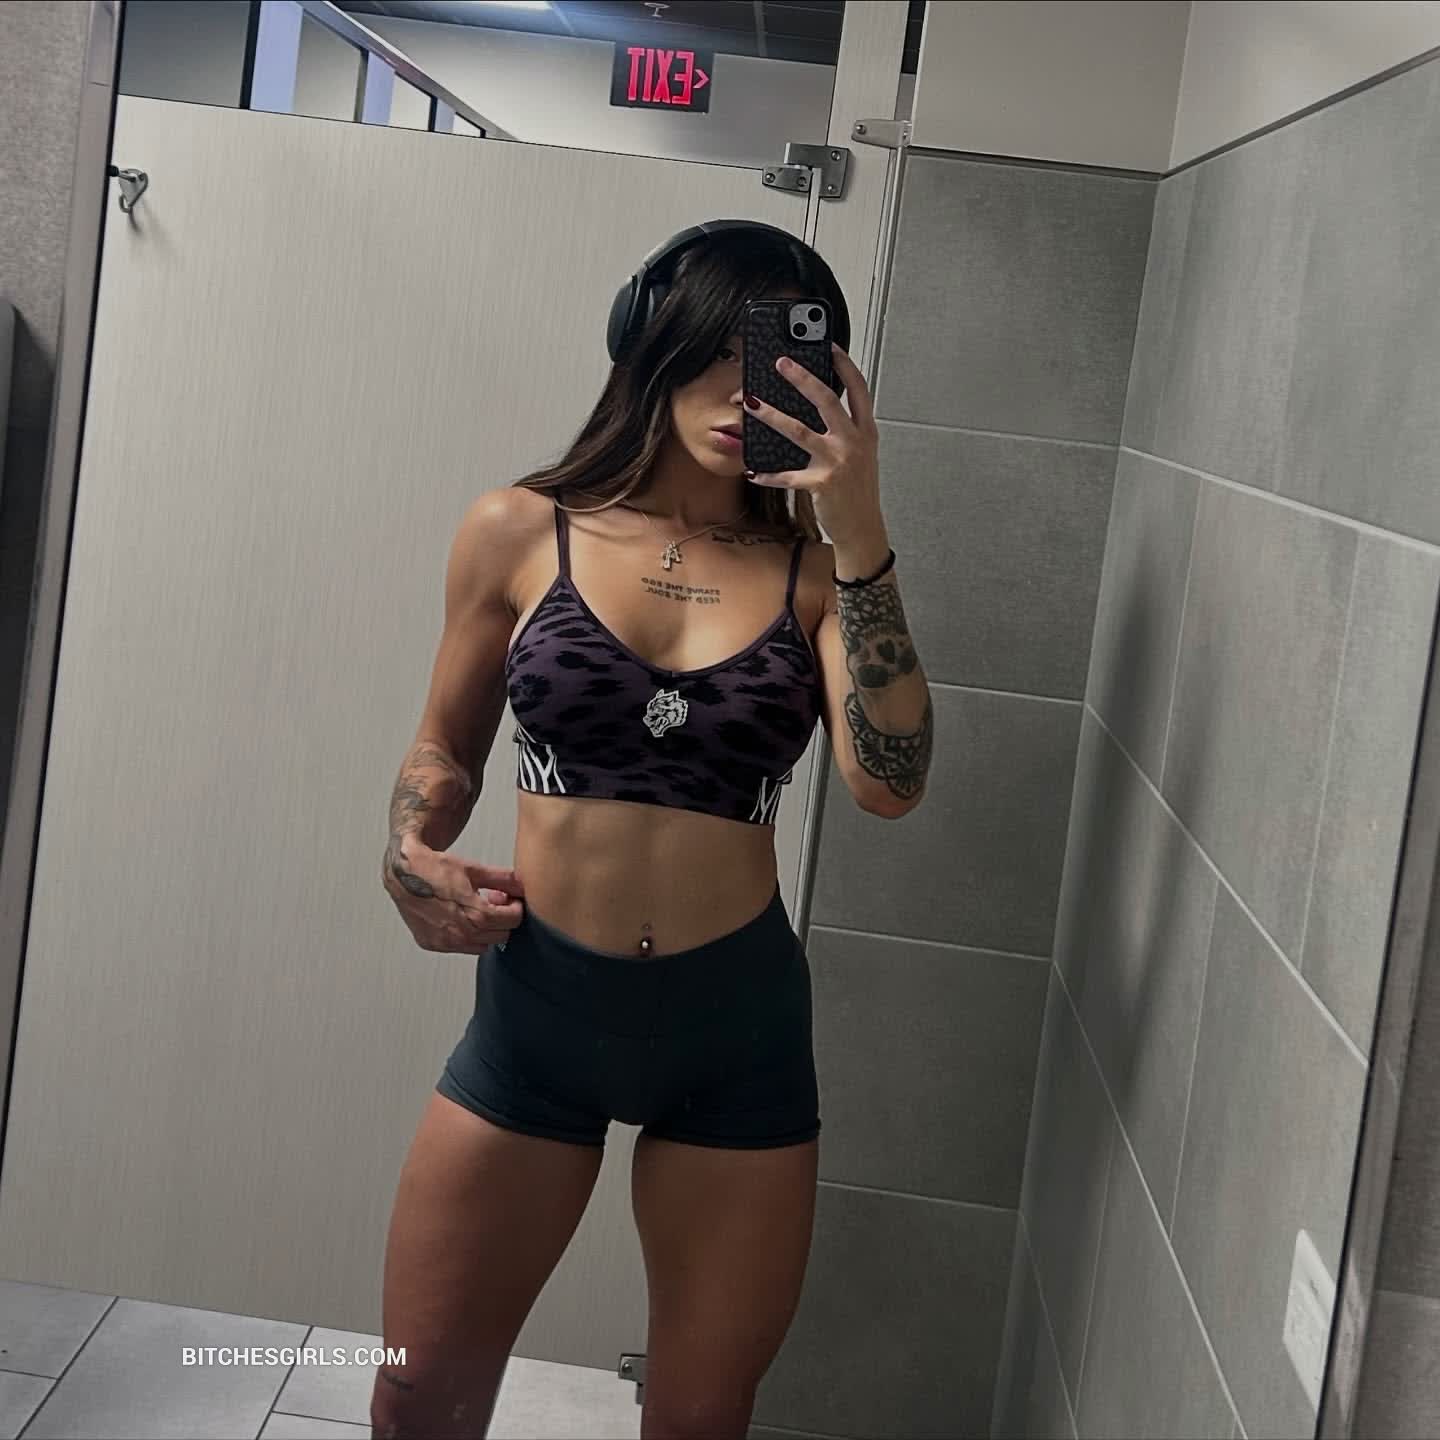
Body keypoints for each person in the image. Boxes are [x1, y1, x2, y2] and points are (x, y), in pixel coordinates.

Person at [370, 220, 933, 1439]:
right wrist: (408, 852)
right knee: (417, 1397)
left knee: (698, 1420)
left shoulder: (820, 579)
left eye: (778, 363)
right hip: (537, 1017)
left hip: (738, 1031)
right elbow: (442, 751)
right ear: (648, 341)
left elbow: (890, 781)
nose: (745, 391)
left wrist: (861, 526)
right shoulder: (520, 529)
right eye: (717, 349)